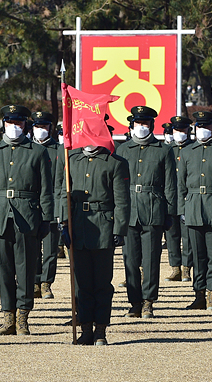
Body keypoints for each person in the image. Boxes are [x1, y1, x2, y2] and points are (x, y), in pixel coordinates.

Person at [0, 104, 54, 335]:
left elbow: (46, 188)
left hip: (27, 214)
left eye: (19, 123)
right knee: (3, 268)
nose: (14, 127)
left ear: (26, 125)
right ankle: (8, 317)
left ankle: (23, 316)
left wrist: (46, 219)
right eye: (10, 123)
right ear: (3, 123)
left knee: (25, 269)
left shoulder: (37, 151)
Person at [56, 137, 131, 345]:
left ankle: (100, 330)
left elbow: (122, 200)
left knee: (101, 283)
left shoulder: (115, 163)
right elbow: (64, 193)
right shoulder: (71, 159)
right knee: (82, 283)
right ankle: (85, 328)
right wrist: (63, 222)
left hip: (103, 226)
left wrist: (119, 229)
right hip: (78, 225)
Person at [115, 105, 177, 319]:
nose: (141, 127)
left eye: (145, 123)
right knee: (130, 260)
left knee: (151, 259)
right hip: (129, 209)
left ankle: (149, 301)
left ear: (152, 125)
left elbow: (170, 184)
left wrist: (169, 213)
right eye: (138, 123)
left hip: (153, 208)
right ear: (131, 125)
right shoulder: (122, 150)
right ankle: (134, 302)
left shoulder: (163, 150)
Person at [177, 111, 212, 311]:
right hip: (193, 206)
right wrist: (182, 209)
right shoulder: (188, 151)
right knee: (197, 254)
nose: (202, 131)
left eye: (206, 127)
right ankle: (198, 293)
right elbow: (180, 184)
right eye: (199, 127)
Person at [29, 111, 60, 300]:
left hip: (53, 204)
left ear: (50, 128)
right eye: (37, 127)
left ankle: (46, 283)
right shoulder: (28, 149)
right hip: (32, 205)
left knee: (50, 249)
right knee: (32, 248)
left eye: (44, 127)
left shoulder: (58, 150)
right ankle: (33, 281)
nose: (41, 130)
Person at [165, 115, 194, 284]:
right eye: (176, 130)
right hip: (171, 197)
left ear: (188, 131)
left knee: (187, 236)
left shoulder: (192, 149)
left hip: (187, 198)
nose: (179, 133)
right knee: (171, 235)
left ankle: (186, 268)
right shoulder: (168, 149)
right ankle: (175, 267)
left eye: (182, 130)